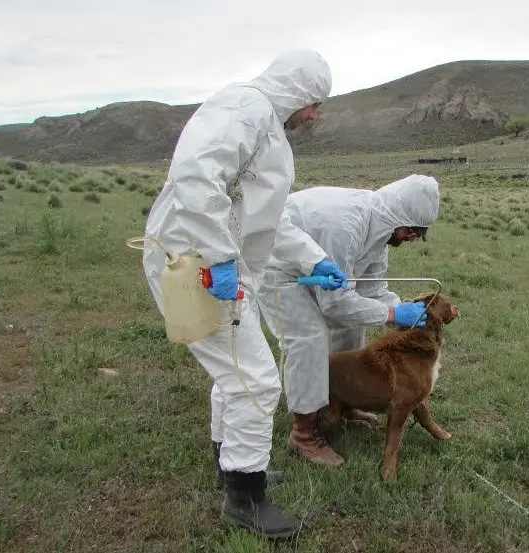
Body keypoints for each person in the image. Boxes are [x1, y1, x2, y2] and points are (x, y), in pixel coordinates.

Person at [140, 49, 349, 540]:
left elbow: (263, 219)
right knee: (253, 379)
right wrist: (219, 258)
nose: (316, 114)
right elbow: (195, 178)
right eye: (315, 102)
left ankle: (231, 468)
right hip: (200, 267)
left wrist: (313, 258)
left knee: (233, 372)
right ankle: (244, 499)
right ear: (297, 91)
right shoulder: (245, 109)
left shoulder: (265, 126)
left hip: (215, 264)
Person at [257, 174, 441, 467]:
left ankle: (345, 403)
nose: (412, 238)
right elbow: (336, 305)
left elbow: (372, 291)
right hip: (277, 268)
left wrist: (404, 309)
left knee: (353, 326)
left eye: (418, 233)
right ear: (396, 216)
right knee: (309, 337)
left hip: (313, 271)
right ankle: (303, 434)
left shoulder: (379, 237)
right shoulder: (346, 225)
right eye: (411, 230)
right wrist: (393, 315)